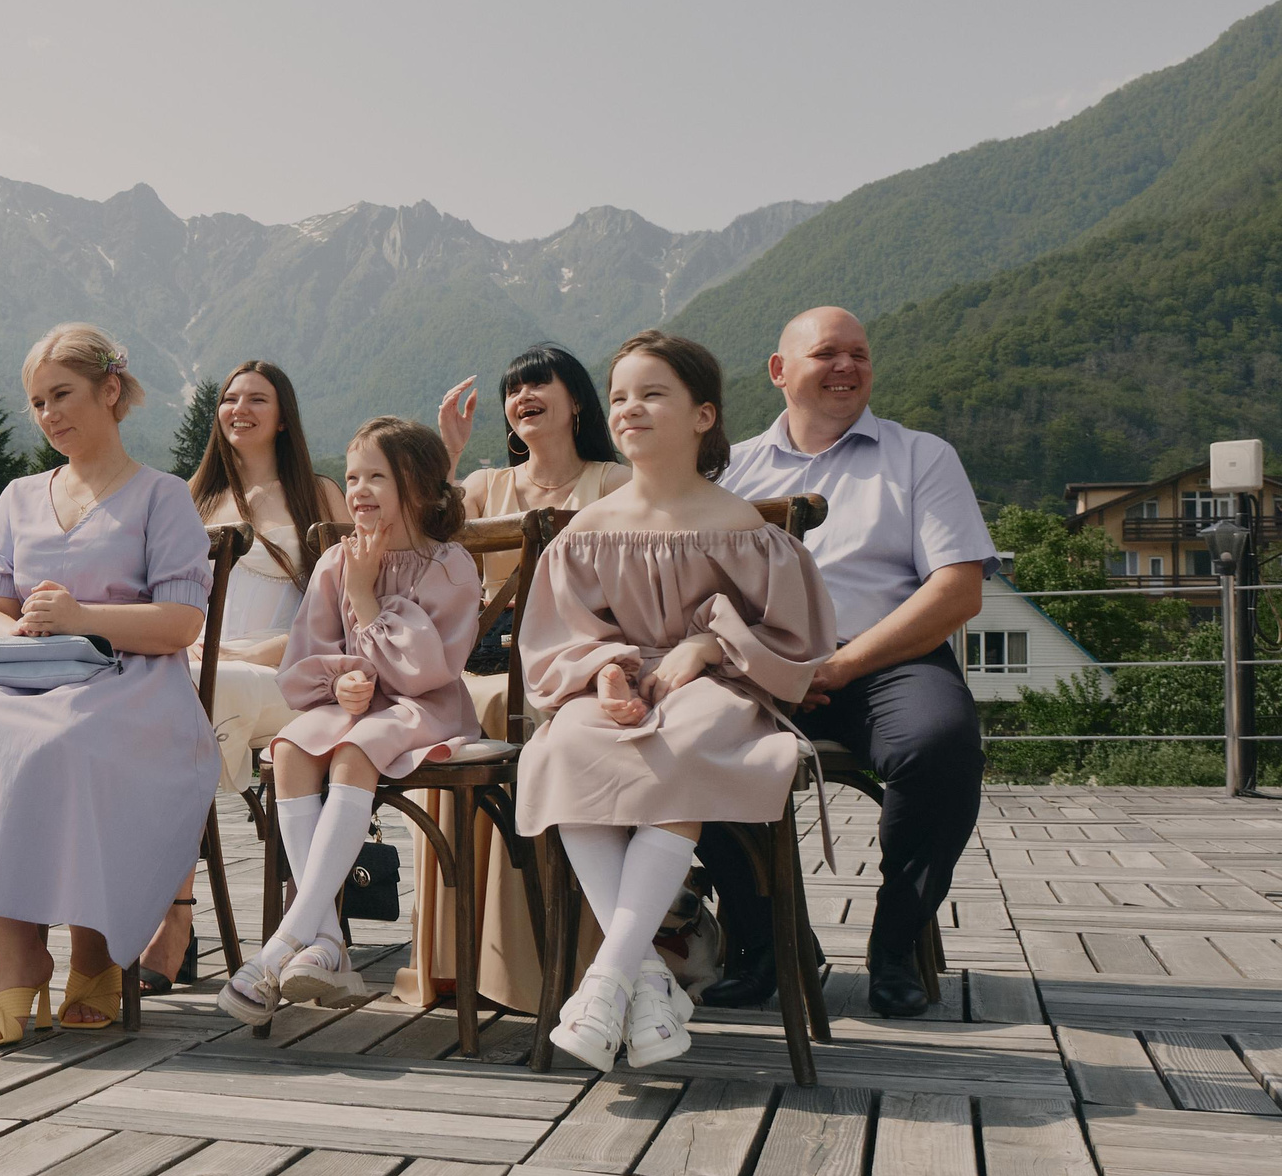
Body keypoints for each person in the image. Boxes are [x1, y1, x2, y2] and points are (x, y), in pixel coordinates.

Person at [0, 323, 219, 1051]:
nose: (49, 415)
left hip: (132, 686)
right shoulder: (15, 497)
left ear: (110, 390)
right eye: (37, 403)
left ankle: (97, 952)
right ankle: (20, 957)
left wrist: (81, 617)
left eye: (62, 395)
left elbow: (181, 621)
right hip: (28, 677)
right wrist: (9, 635)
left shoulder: (162, 497)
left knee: (66, 743)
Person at [518, 331, 835, 1072]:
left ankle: (605, 979)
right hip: (618, 687)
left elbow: (792, 636)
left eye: (653, 393)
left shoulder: (741, 524)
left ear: (703, 415)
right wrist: (603, 672)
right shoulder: (588, 528)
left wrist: (707, 647)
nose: (630, 408)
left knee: (682, 742)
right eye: (621, 395)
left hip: (722, 689)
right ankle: (646, 981)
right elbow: (559, 640)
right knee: (566, 745)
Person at [706, 305, 996, 1017]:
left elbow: (958, 591)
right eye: (827, 353)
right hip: (756, 665)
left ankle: (896, 942)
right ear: (779, 371)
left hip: (888, 662)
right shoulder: (727, 470)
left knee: (941, 743)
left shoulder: (920, 456)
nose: (847, 367)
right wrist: (768, 665)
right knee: (681, 743)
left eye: (859, 354)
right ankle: (769, 942)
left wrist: (833, 668)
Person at [218, 418, 481, 1026]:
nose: (358, 489)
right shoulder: (337, 559)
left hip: (425, 709)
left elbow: (426, 671)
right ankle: (327, 940)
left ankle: (285, 941)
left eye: (376, 477)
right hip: (352, 707)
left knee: (353, 752)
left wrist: (365, 598)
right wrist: (339, 679)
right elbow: (304, 656)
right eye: (353, 474)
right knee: (290, 746)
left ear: (416, 485)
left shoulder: (450, 565)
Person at [420, 345, 631, 1014]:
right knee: (457, 701)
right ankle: (459, 962)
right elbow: (420, 533)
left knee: (534, 711)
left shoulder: (616, 482)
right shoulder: (486, 486)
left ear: (576, 402)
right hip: (487, 667)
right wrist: (448, 452)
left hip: (579, 668)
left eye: (540, 382)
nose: (523, 395)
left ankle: (550, 962)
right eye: (514, 388)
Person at [153, 359, 349, 991]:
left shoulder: (318, 496)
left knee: (197, 694)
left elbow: (346, 610)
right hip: (195, 664)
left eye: (256, 399)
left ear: (284, 415)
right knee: (161, 696)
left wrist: (253, 654)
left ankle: (176, 922)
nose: (239, 409)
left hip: (289, 673)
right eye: (229, 398)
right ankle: (166, 911)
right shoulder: (191, 497)